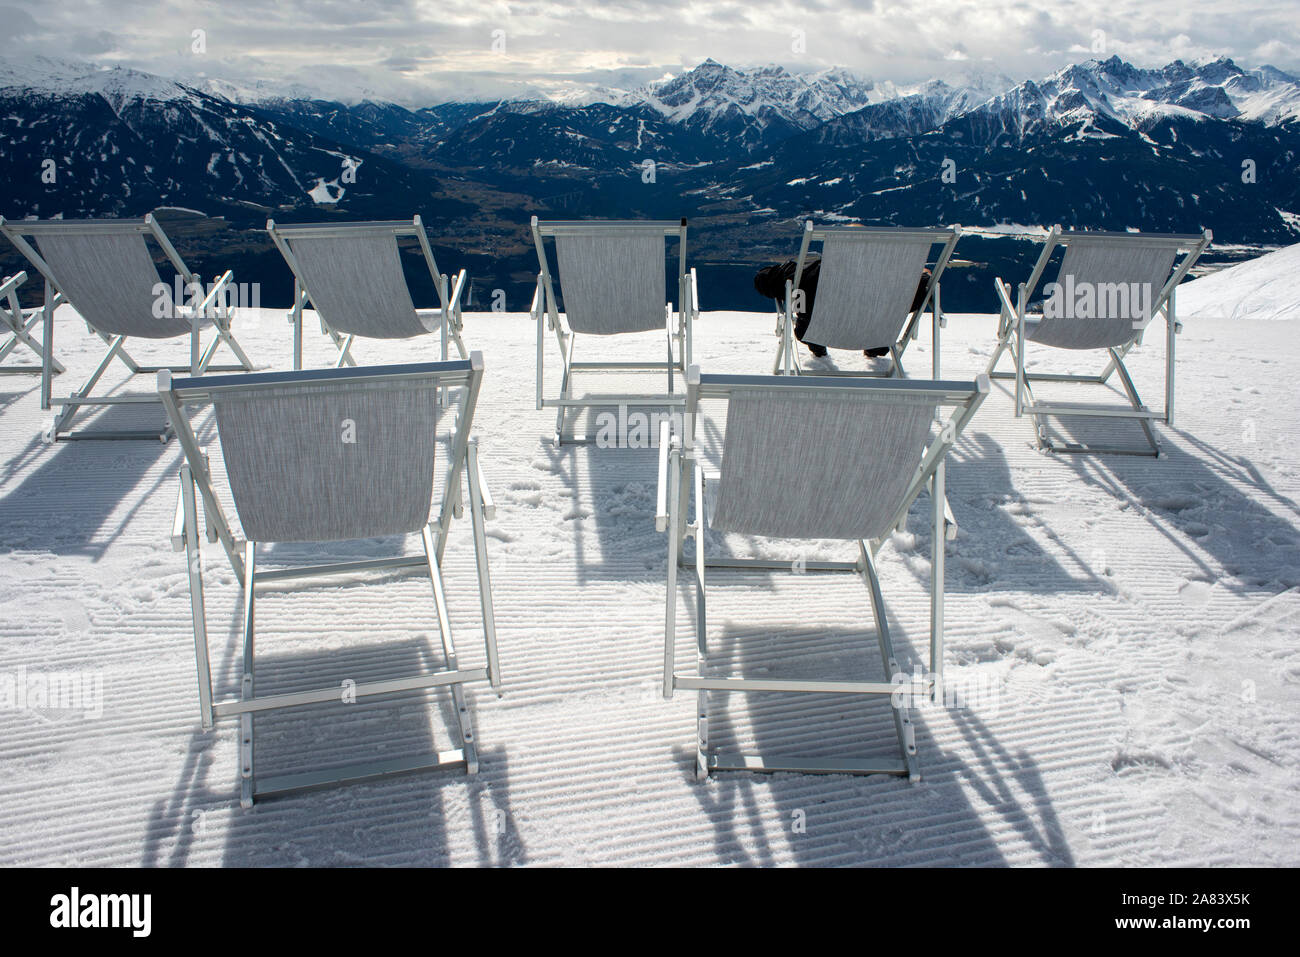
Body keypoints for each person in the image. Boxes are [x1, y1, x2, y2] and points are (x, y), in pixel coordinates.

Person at [753, 258, 932, 359]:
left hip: (816, 332)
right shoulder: (893, 284)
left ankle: (818, 345)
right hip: (877, 336)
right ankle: (873, 348)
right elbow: (926, 289)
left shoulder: (813, 272)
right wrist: (923, 276)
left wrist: (798, 265)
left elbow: (763, 279)